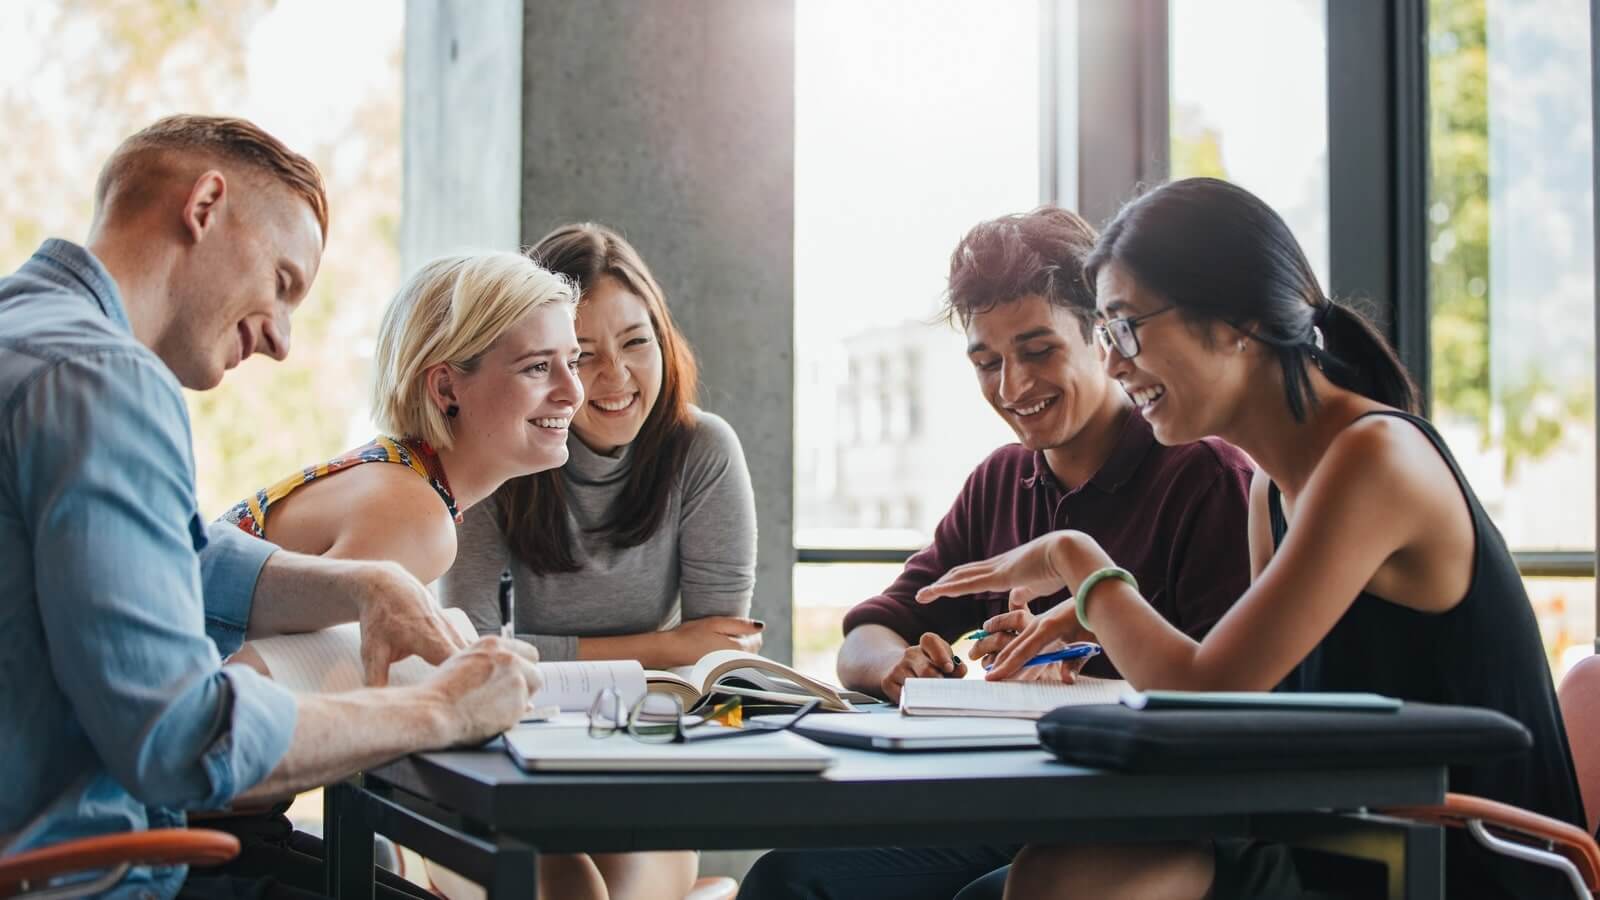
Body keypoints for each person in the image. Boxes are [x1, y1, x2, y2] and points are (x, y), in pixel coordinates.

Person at [917, 178, 1584, 900]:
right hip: (1347, 841)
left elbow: (1205, 692)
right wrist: (1095, 610)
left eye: (1128, 327)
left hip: (1456, 864)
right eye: (1107, 335)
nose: (1112, 363)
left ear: (1236, 320)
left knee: (1059, 881)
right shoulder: (1274, 487)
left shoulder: (1373, 460)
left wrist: (1075, 561)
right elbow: (1244, 713)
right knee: (1043, 875)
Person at [0, 115, 542, 900]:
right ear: (206, 205)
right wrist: (440, 709)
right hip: (81, 877)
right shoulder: (102, 378)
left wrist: (365, 585)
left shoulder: (28, 335)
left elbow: (185, 556)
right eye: (283, 283)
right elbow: (184, 739)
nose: (282, 339)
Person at [737, 206, 1254, 900]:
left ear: (1104, 336)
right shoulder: (1001, 481)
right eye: (987, 362)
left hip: (1154, 824)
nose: (1012, 388)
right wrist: (899, 666)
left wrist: (1076, 659)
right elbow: (866, 633)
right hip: (1020, 810)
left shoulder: (1203, 477)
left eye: (1038, 352)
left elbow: (1226, 705)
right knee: (787, 880)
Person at [438, 223, 759, 900]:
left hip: (641, 760)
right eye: (581, 356)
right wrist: (660, 646)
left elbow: (716, 665)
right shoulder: (494, 454)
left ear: (663, 339)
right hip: (507, 761)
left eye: (636, 342)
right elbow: (470, 655)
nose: (615, 378)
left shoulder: (703, 450)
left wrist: (673, 655)